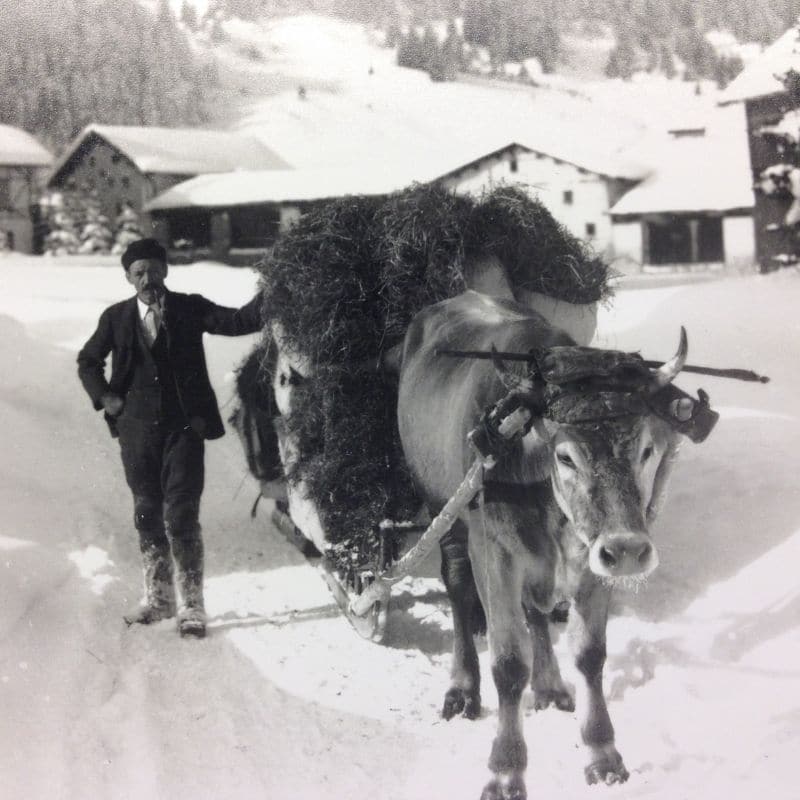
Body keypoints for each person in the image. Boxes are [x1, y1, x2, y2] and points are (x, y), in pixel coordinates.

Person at [77, 238, 264, 638]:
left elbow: (239, 322)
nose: (148, 279)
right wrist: (105, 396)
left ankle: (192, 606)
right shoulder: (115, 318)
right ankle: (159, 599)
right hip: (136, 432)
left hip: (184, 429)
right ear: (127, 277)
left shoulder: (189, 307)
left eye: (153, 269)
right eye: (138, 272)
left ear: (166, 270)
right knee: (146, 512)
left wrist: (276, 290)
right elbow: (88, 360)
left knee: (180, 513)